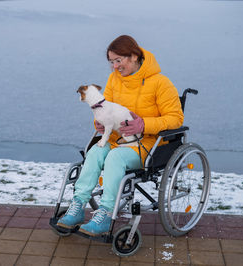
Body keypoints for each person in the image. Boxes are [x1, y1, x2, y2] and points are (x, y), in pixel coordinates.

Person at [57, 35, 184, 236]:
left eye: (119, 60)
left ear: (134, 56)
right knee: (95, 152)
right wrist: (98, 124)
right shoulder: (114, 80)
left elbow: (176, 118)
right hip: (117, 139)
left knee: (115, 158)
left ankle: (106, 214)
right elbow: (105, 110)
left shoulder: (160, 83)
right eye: (111, 62)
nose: (115, 66)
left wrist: (144, 124)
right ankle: (78, 206)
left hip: (146, 145)